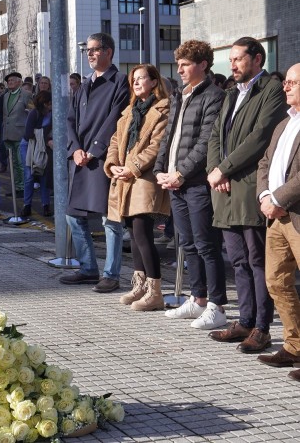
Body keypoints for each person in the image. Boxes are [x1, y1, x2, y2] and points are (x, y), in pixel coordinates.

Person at [205, 37, 287, 336]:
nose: (233, 65)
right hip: (225, 189)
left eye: (238, 58)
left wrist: (224, 169)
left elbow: (260, 137)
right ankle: (245, 320)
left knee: (257, 259)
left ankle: (262, 327)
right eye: (231, 60)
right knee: (238, 261)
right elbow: (215, 135)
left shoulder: (271, 90)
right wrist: (215, 170)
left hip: (249, 187)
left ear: (257, 59)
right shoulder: (231, 94)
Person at [153, 40, 229, 329]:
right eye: (179, 64)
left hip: (196, 183)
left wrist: (181, 173)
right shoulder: (179, 95)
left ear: (203, 65)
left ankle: (217, 306)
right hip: (176, 183)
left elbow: (206, 141)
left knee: (207, 244)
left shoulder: (214, 95)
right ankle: (197, 299)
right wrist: (160, 169)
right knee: (187, 243)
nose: (180, 69)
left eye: (185, 64)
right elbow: (168, 137)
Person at [59, 33, 129, 293]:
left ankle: (111, 274)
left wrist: (94, 150)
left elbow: (116, 119)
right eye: (87, 50)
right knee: (73, 215)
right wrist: (75, 149)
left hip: (103, 159)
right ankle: (88, 268)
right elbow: (69, 120)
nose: (89, 54)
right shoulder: (84, 84)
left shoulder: (120, 81)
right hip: (80, 159)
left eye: (94, 49)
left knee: (110, 219)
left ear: (108, 51)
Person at [105, 65, 171, 311]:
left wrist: (131, 167)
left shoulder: (162, 109)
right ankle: (140, 285)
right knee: (133, 233)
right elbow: (115, 140)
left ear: (154, 82)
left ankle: (155, 291)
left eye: (141, 78)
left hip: (145, 178)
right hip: (125, 177)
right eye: (133, 79)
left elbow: (156, 146)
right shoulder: (130, 110)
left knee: (143, 233)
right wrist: (113, 164)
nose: (136, 82)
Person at [255, 63, 300, 380]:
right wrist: (264, 197)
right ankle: (295, 346)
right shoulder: (285, 123)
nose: (286, 86)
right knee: (276, 281)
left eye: (293, 82)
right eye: (286, 81)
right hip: (276, 218)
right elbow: (265, 163)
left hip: (294, 213)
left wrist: (278, 199)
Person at [0, 72, 32, 196]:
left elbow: (32, 111)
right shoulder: (6, 96)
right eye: (8, 81)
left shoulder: (26, 95)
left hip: (20, 133)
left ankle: (24, 188)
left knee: (21, 162)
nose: (10, 82)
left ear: (19, 81)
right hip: (8, 133)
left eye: (12, 80)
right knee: (13, 164)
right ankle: (17, 187)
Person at [22, 91, 53, 217]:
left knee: (44, 176)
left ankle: (46, 205)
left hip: (43, 147)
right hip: (29, 146)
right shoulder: (34, 113)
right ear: (45, 104)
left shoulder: (52, 114)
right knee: (29, 176)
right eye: (50, 103)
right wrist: (44, 136)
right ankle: (27, 205)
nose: (52, 105)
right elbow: (28, 134)